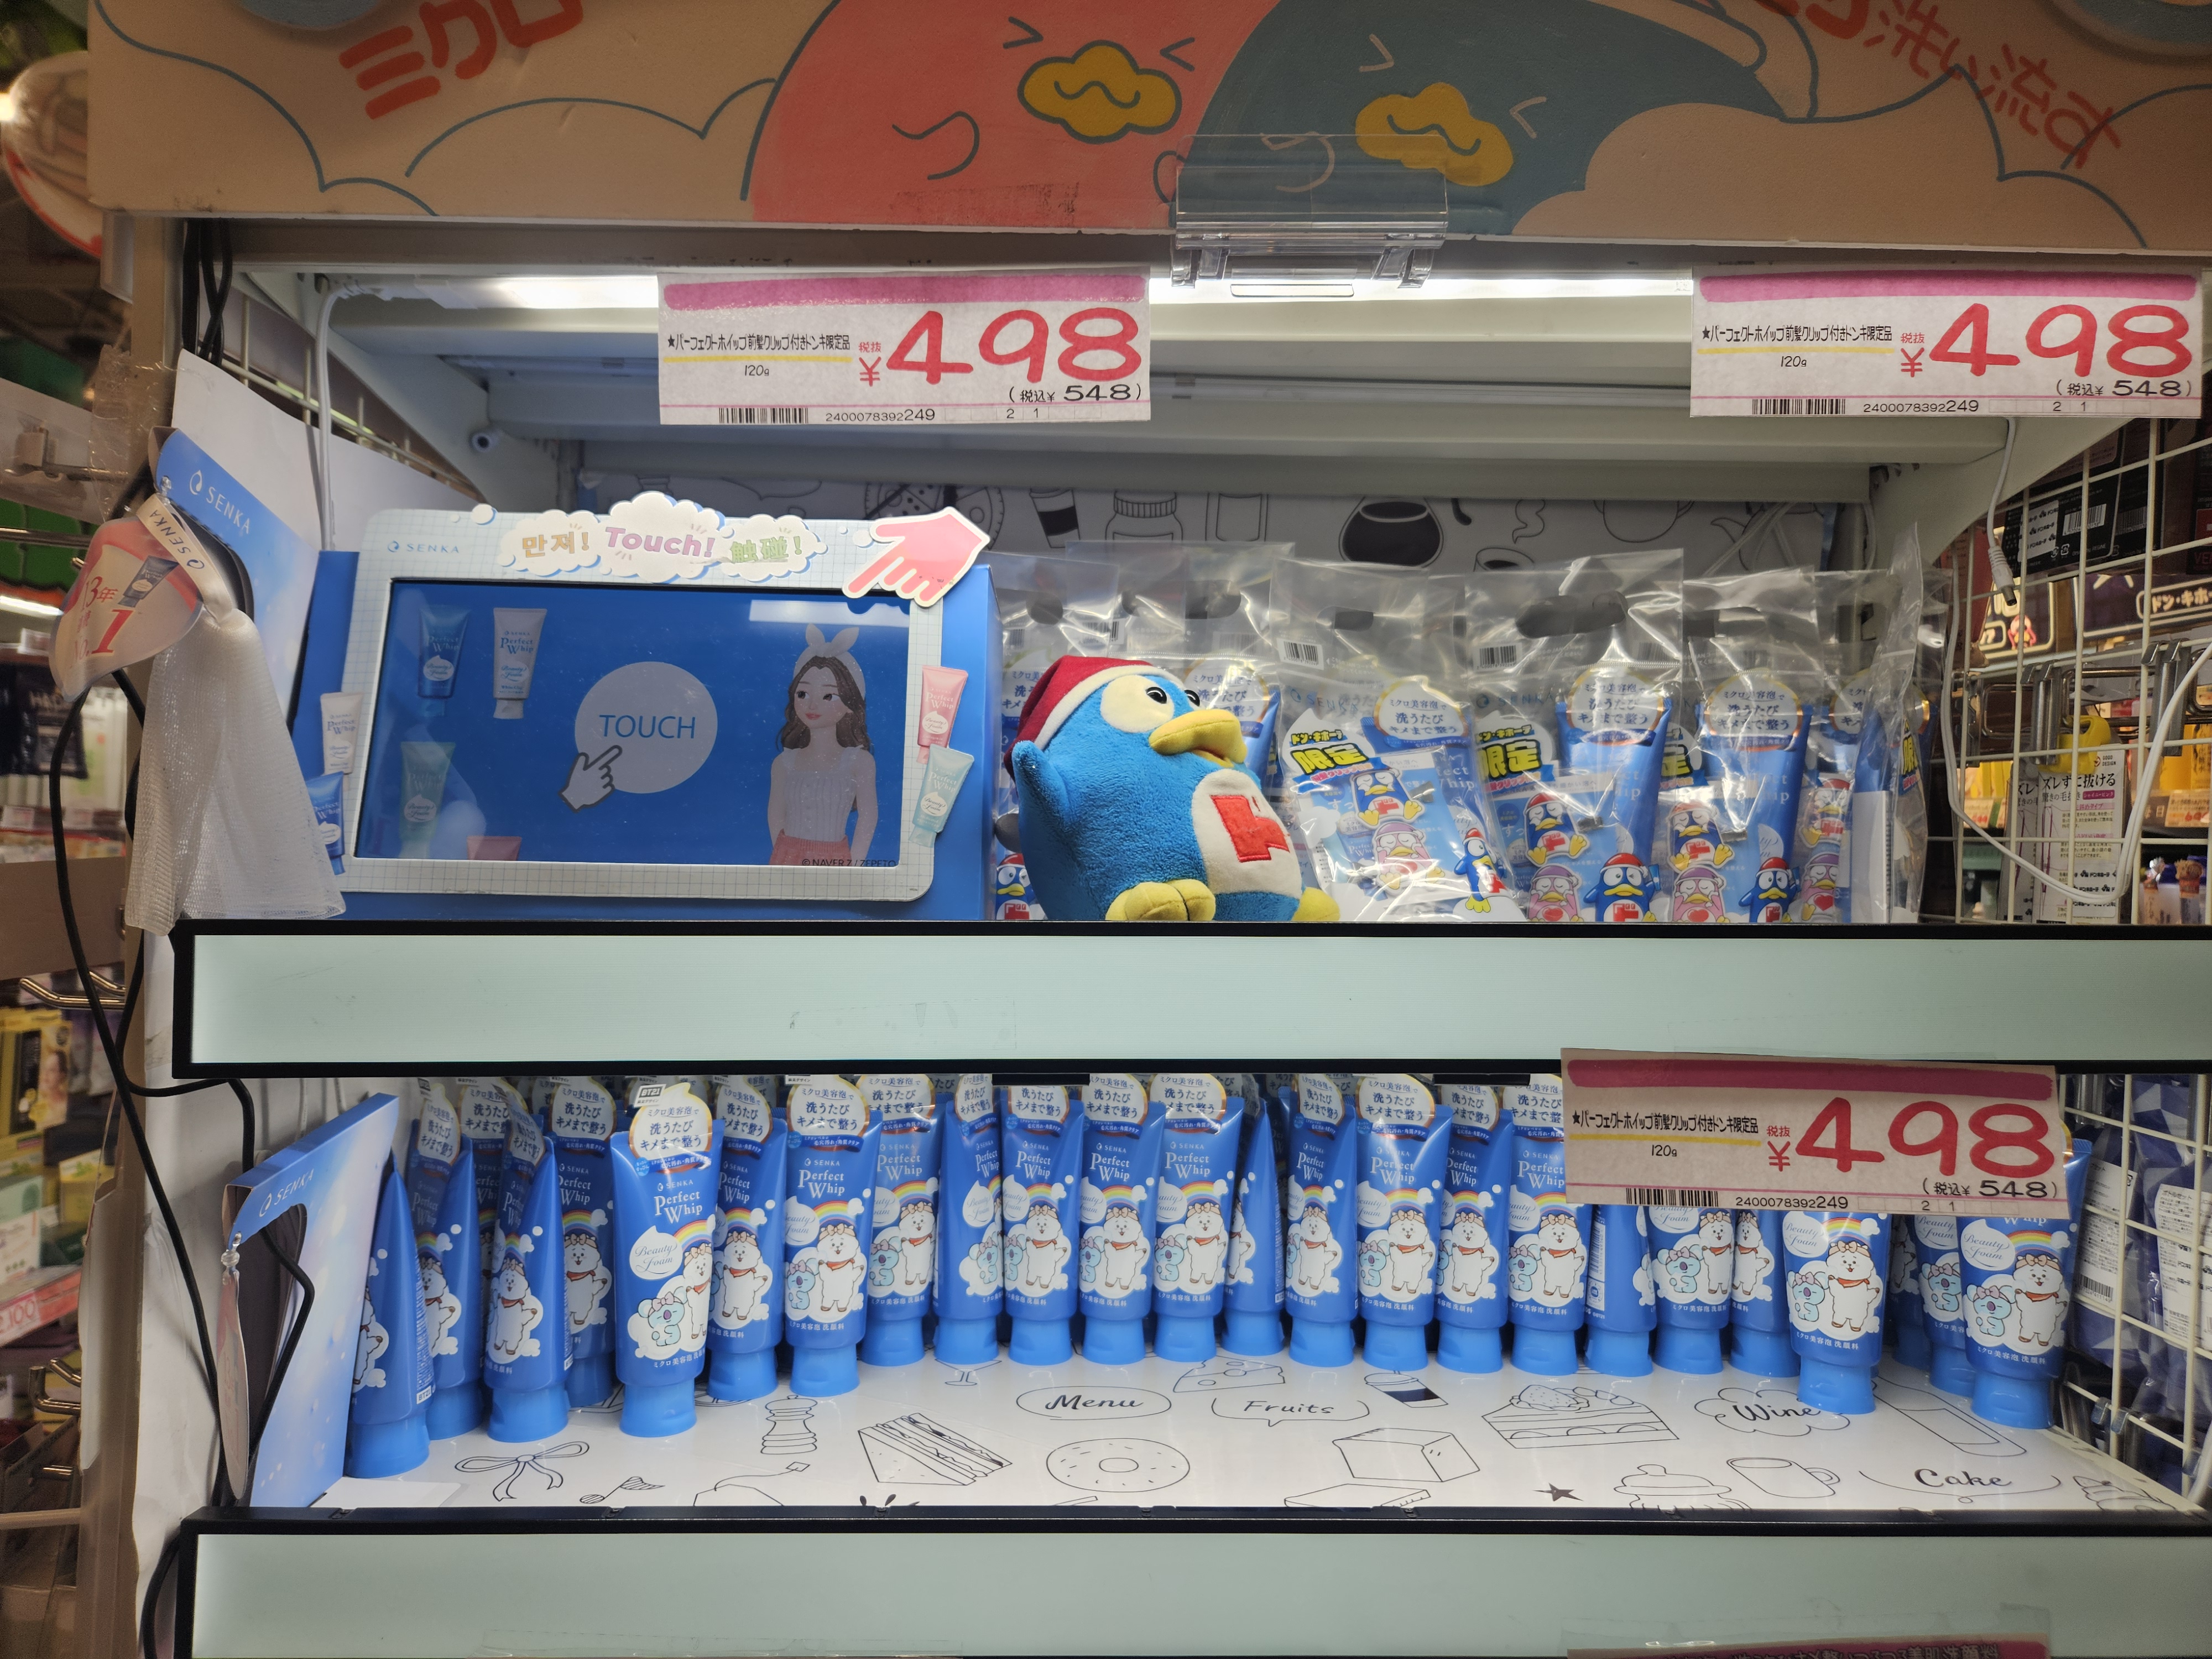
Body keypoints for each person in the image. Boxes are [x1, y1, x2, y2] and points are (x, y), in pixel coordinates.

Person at [766, 625, 877, 866]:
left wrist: (854, 866)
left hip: (836, 860)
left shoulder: (859, 762)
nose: (812, 705)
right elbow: (776, 816)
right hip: (786, 859)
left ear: (850, 704)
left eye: (828, 696)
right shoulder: (783, 763)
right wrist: (784, 855)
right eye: (803, 694)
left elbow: (868, 819)